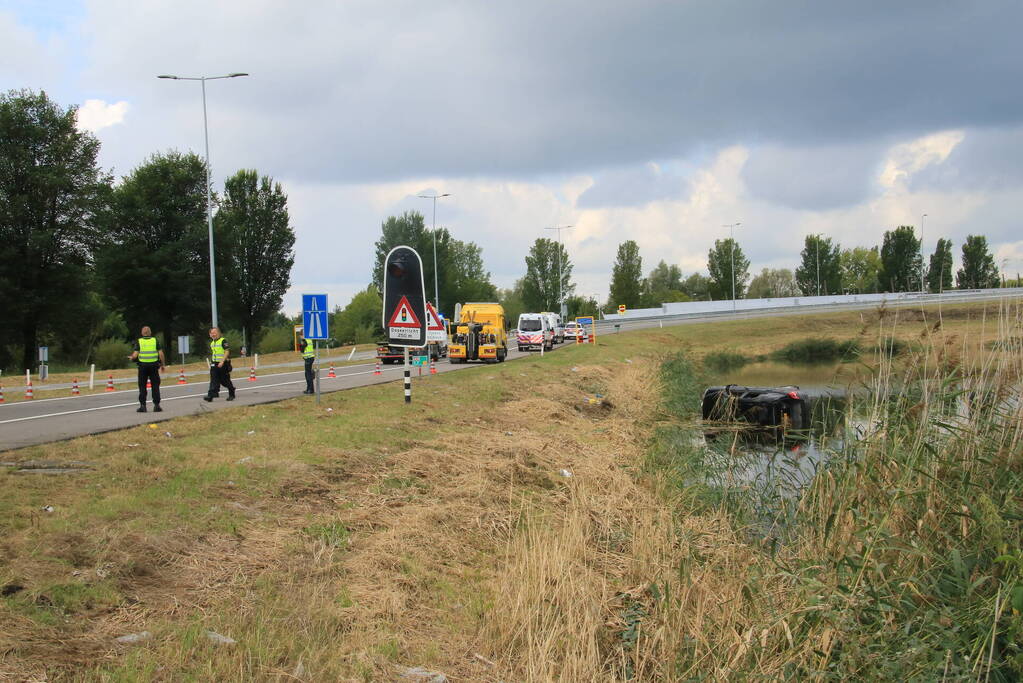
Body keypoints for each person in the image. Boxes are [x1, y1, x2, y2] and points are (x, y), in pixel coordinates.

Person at [130, 325, 166, 413]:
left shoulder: (139, 341)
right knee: (155, 385)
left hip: (143, 367)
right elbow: (161, 354)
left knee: (142, 386)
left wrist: (131, 358)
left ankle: (143, 406)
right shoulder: (155, 340)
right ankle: (157, 405)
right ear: (150, 333)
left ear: (142, 333)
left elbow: (135, 355)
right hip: (154, 366)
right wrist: (163, 364)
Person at [203, 327, 236, 402]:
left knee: (225, 381)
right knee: (213, 380)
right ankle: (211, 395)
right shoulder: (212, 343)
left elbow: (227, 351)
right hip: (214, 364)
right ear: (209, 335)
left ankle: (232, 393)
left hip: (223, 364)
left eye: (215, 332)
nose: (213, 334)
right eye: (211, 333)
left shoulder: (223, 341)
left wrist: (222, 361)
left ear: (218, 333)